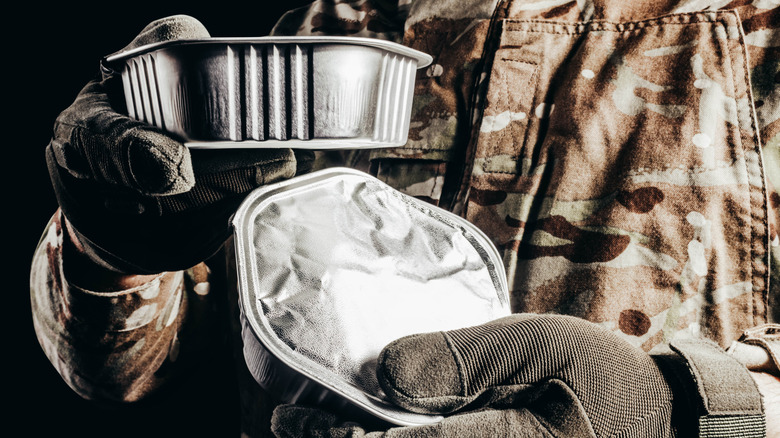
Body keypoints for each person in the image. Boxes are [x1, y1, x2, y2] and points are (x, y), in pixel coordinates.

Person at [31, 0, 780, 437]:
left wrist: (695, 406)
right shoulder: (331, 39)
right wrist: (110, 248)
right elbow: (123, 371)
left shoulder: (757, 40)